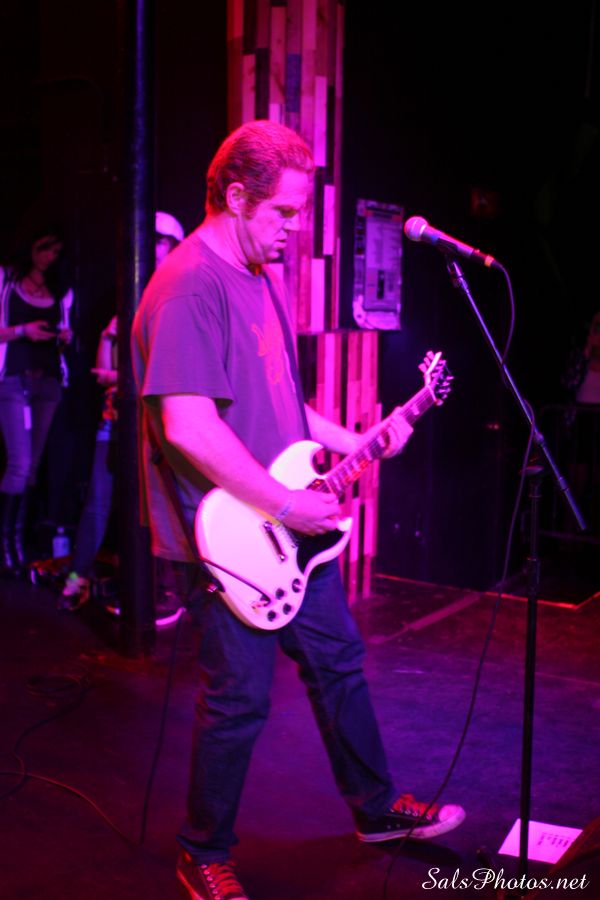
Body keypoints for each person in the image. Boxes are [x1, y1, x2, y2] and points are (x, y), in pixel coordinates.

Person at [131, 120, 465, 900]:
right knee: (239, 701)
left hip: (286, 527)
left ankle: (377, 810)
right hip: (225, 538)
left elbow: (286, 407)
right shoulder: (189, 286)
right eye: (282, 213)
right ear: (235, 196)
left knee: (338, 664)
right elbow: (187, 427)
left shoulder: (258, 277)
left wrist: (362, 438)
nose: (293, 230)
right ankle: (202, 850)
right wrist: (287, 502)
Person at [59, 211, 186, 623]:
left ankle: (168, 591)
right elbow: (101, 370)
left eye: (160, 242)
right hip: (116, 417)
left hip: (157, 423)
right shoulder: (133, 294)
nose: (152, 249)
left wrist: (119, 376)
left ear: (173, 247)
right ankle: (77, 578)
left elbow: (166, 373)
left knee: (160, 506)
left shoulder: (178, 297)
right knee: (100, 502)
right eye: (149, 241)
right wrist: (110, 336)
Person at [0, 226, 73, 576]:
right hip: (14, 380)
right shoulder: (6, 281)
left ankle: (20, 544)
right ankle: (6, 545)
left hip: (47, 381)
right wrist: (22, 331)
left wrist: (63, 336)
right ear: (32, 246)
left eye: (56, 252)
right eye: (46, 248)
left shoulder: (61, 290)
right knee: (20, 462)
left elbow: (65, 334)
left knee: (32, 467)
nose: (49, 257)